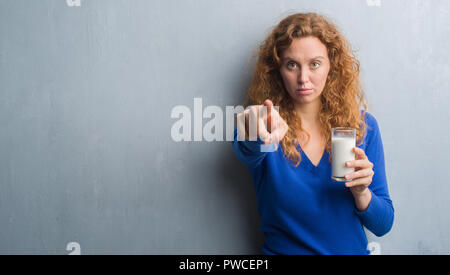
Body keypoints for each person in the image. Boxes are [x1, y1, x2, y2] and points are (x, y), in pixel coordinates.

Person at [232, 12, 394, 255]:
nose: (303, 78)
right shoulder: (267, 126)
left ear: (332, 66)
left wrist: (362, 192)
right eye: (292, 65)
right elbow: (248, 147)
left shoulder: (362, 127)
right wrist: (252, 124)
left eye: (315, 64)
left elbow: (383, 225)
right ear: (278, 70)